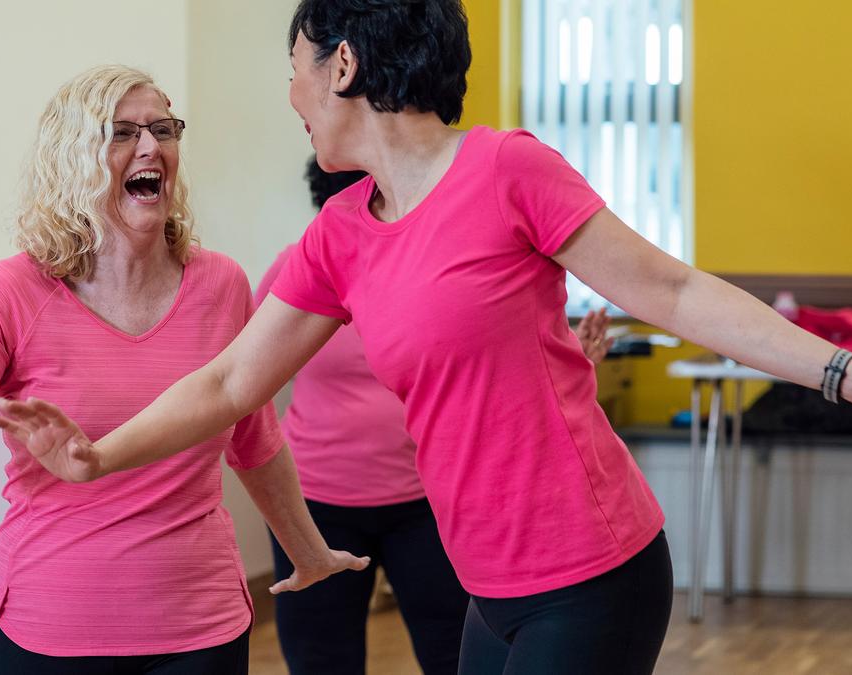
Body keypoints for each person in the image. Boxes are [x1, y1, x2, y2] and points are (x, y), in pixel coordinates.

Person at [0, 2, 852, 674]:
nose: (289, 96)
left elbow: (672, 289)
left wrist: (840, 369)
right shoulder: (340, 232)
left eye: (293, 70)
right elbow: (227, 385)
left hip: (593, 568)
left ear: (344, 64)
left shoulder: (506, 169)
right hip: (489, 583)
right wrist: (98, 456)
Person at [0, 65, 366, 674]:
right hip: (50, 627)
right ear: (73, 159)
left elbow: (255, 440)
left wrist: (309, 553)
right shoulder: (7, 292)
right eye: (122, 133)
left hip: (201, 625)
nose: (151, 147)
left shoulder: (220, 284)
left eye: (162, 129)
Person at [256, 157, 613, 675]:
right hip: (316, 501)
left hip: (426, 501)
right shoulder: (298, 269)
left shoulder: (431, 276)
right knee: (320, 660)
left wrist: (568, 354)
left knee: (454, 654)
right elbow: (239, 377)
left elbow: (498, 364)